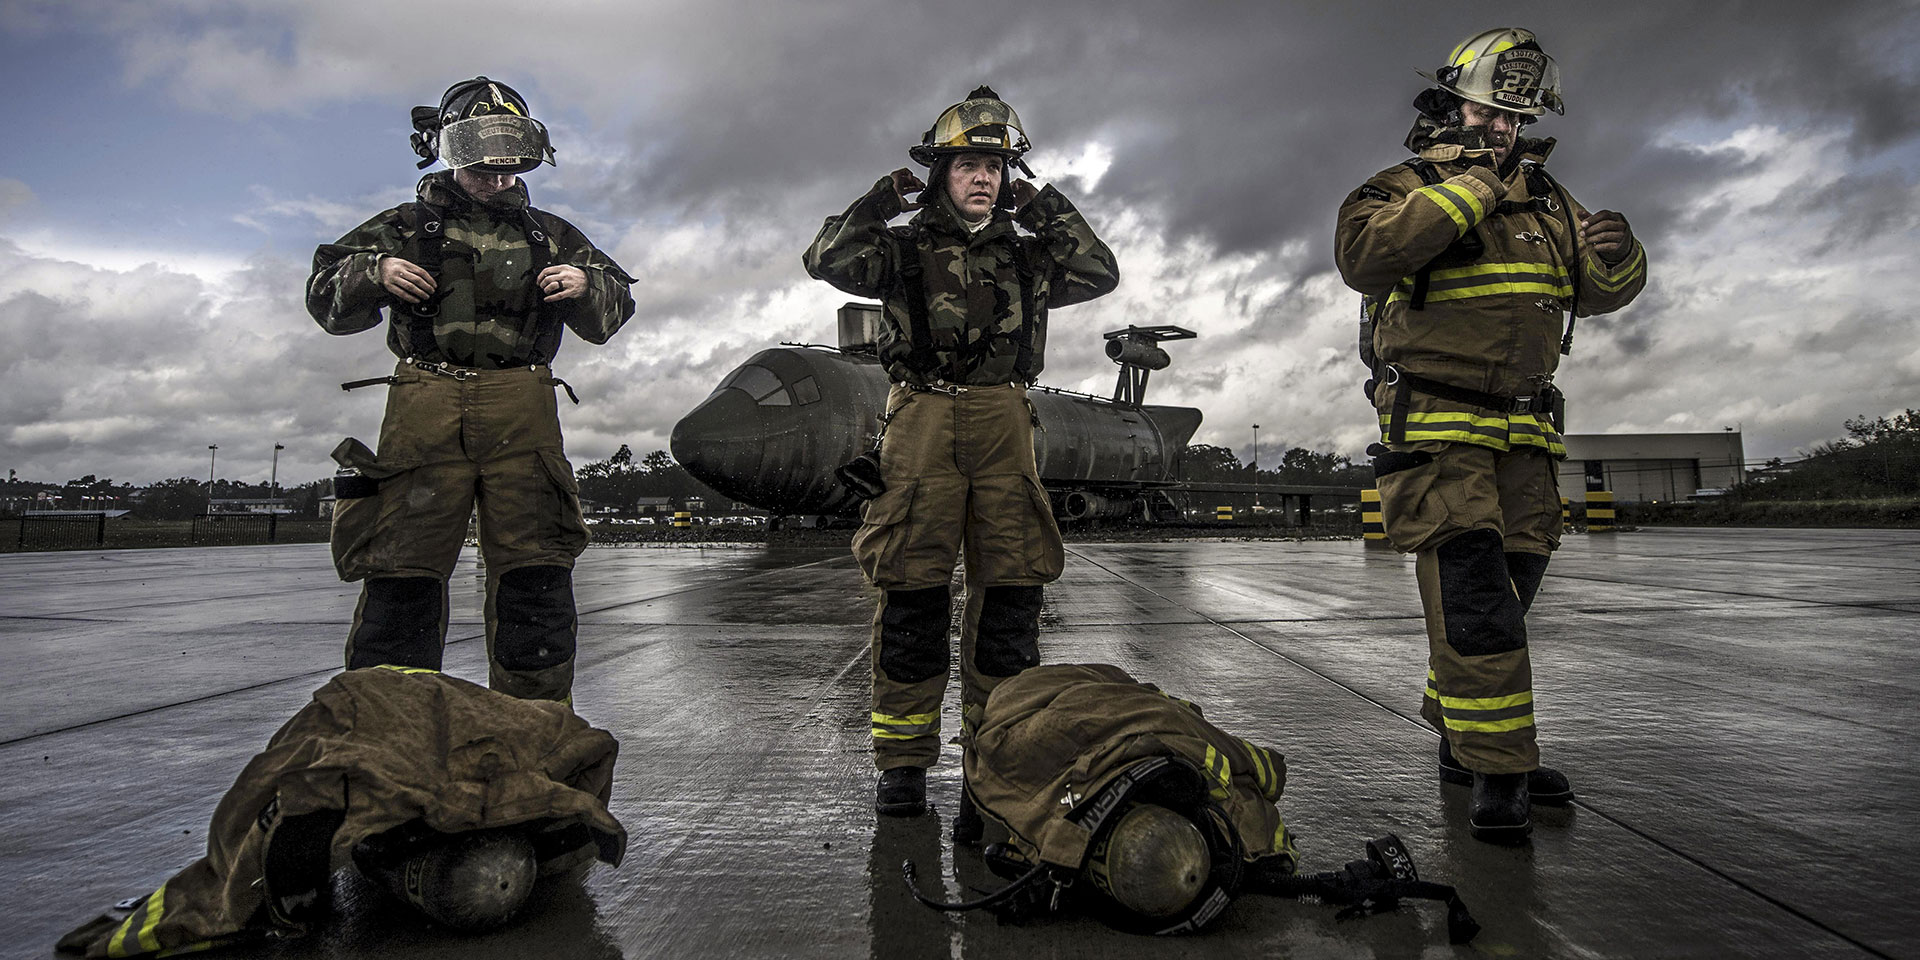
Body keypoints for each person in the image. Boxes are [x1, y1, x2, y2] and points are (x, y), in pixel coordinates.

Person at [1335, 28, 1647, 843]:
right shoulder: (1396, 187)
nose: (1503, 128)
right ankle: (1499, 768)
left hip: (1526, 434)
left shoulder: (1549, 197)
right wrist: (1471, 187)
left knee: (1512, 593)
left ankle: (1463, 737)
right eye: (1490, 111)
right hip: (1439, 431)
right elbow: (1364, 256)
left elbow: (1599, 291)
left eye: (1516, 118)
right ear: (1451, 103)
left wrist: (1620, 255)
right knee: (1478, 608)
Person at [802, 86, 1119, 819]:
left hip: (1006, 418)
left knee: (1011, 591)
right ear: (941, 172)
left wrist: (1044, 206)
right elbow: (826, 256)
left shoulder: (1028, 254)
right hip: (920, 418)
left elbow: (1098, 270)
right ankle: (904, 764)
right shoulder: (901, 248)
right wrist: (884, 197)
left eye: (997, 167)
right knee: (911, 590)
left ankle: (997, 756)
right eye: (969, 164)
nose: (984, 177)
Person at [307, 77, 636, 704]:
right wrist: (370, 271)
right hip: (426, 403)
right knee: (401, 575)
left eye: (507, 160)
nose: (494, 174)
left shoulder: (552, 233)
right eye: (480, 160)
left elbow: (614, 308)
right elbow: (324, 298)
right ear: (448, 150)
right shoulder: (403, 226)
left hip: (522, 408)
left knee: (535, 576)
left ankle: (535, 729)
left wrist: (587, 285)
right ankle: (388, 728)